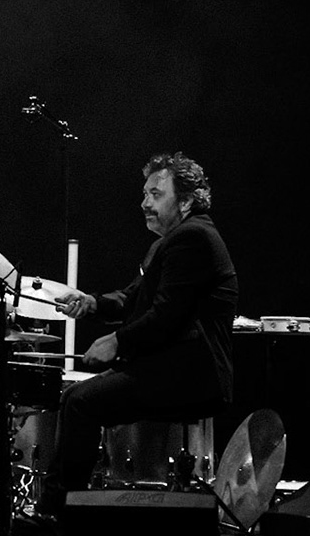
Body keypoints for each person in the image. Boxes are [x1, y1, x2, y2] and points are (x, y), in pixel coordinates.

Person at [46, 152, 238, 508]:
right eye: (145, 194)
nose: (144, 203)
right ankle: (65, 508)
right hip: (172, 367)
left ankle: (61, 512)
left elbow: (166, 316)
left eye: (155, 194)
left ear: (186, 201)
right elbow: (131, 299)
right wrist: (91, 303)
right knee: (76, 399)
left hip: (190, 374)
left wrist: (117, 341)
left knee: (80, 403)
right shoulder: (171, 241)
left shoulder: (193, 238)